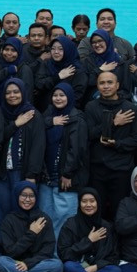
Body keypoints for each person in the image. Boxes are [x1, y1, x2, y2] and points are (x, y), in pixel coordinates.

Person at [83, 70, 137, 219]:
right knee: (97, 213)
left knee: (120, 213)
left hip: (121, 169)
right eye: (102, 83)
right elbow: (89, 134)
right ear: (97, 86)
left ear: (117, 85)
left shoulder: (130, 108)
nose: (106, 86)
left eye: (109, 82)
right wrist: (112, 122)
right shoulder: (91, 107)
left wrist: (117, 144)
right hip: (97, 169)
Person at [0, 78, 45, 239]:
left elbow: (38, 147)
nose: (12, 95)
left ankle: (19, 248)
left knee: (20, 213)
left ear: (23, 92)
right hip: (1, 172)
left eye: (16, 92)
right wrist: (15, 124)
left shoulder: (33, 115)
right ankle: (2, 248)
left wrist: (32, 175)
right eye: (8, 92)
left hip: (22, 173)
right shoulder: (0, 113)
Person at [57, 188, 131, 272]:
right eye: (84, 201)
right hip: (77, 267)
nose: (88, 205)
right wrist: (89, 241)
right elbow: (64, 254)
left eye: (92, 201)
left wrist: (95, 267)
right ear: (79, 204)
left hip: (97, 269)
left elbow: (114, 256)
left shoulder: (106, 227)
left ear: (98, 203)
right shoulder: (70, 224)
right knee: (68, 267)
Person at [0, 181, 63, 272]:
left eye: (31, 196)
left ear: (36, 198)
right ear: (17, 196)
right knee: (0, 262)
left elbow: (48, 251)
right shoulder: (9, 220)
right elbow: (11, 252)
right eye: (23, 195)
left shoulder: (44, 219)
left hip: (36, 264)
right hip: (15, 263)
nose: (27, 199)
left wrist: (28, 263)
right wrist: (31, 233)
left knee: (57, 266)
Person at [39, 82, 88, 238]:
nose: (58, 98)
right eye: (55, 95)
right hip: (47, 178)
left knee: (65, 221)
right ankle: (48, 251)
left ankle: (63, 251)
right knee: (45, 219)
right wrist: (50, 122)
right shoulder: (48, 115)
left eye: (62, 95)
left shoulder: (77, 119)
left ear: (70, 97)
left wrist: (67, 173)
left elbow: (77, 150)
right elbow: (36, 126)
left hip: (66, 180)